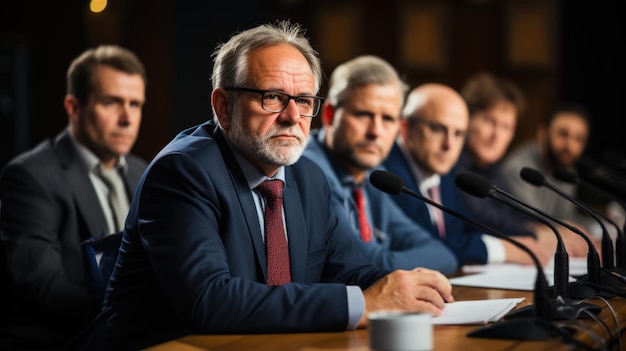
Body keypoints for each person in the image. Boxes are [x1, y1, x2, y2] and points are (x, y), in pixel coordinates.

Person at [73, 21, 454, 351]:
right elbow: (210, 301)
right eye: (272, 97)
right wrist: (363, 304)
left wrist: (404, 289)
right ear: (223, 106)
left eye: (304, 101)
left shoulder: (307, 177)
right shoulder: (183, 172)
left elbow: (352, 271)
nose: (292, 116)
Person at [0, 45, 148, 350]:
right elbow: (41, 287)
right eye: (112, 102)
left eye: (135, 104)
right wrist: (135, 314)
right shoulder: (30, 175)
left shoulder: (142, 171)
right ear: (73, 107)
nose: (127, 118)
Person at [302, 55, 458, 275]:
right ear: (330, 114)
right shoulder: (309, 170)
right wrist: (390, 262)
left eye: (387, 119)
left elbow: (443, 255)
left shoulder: (373, 175)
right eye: (364, 115)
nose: (375, 132)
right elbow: (368, 267)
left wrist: (388, 262)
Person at [383, 83, 554, 267]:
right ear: (405, 129)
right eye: (438, 129)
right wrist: (501, 249)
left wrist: (525, 239)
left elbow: (464, 227)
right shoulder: (390, 176)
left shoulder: (442, 170)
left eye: (458, 133)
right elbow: (428, 246)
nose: (449, 145)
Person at [456, 72, 589, 258]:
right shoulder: (452, 164)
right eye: (489, 121)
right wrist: (535, 233)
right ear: (467, 119)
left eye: (506, 127)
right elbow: (481, 215)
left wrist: (551, 232)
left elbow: (514, 214)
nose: (497, 135)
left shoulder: (492, 168)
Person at [500, 102, 597, 238]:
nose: (569, 146)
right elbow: (539, 220)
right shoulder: (519, 168)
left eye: (579, 139)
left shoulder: (567, 171)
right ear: (542, 133)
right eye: (563, 134)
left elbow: (565, 217)